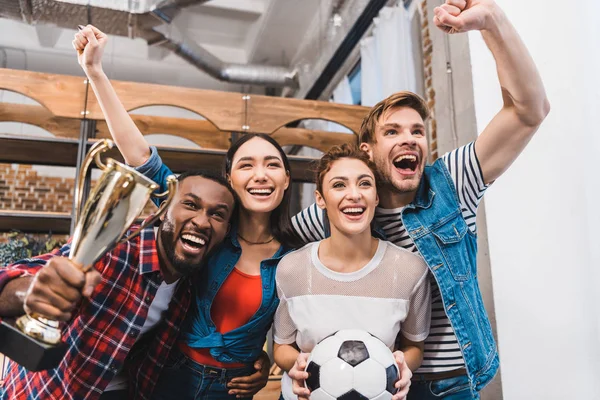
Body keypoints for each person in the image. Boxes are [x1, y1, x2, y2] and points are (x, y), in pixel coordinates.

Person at [290, 0, 550, 398]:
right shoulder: (342, 207)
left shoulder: (451, 181)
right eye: (392, 132)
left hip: (452, 384)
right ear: (367, 151)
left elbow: (530, 110)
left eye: (416, 130)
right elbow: (270, 249)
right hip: (373, 383)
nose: (409, 138)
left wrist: (492, 22)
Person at [73, 25, 304, 399]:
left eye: (272, 165)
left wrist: (263, 365)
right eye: (246, 165)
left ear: (286, 179)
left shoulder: (295, 256)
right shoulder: (206, 227)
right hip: (167, 375)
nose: (260, 175)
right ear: (230, 178)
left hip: (232, 389)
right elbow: (140, 157)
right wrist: (96, 73)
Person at [0, 170, 236, 400]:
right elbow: (16, 277)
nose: (202, 222)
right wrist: (30, 291)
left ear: (226, 231)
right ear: (163, 211)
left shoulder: (194, 283)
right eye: (191, 205)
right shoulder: (114, 248)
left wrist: (253, 361)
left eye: (217, 215)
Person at [273, 144, 431, 400]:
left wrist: (403, 363)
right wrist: (298, 364)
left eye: (365, 184)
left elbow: (414, 347)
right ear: (320, 199)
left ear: (376, 197)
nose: (354, 194)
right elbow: (282, 347)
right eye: (339, 185)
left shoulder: (409, 270)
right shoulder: (292, 269)